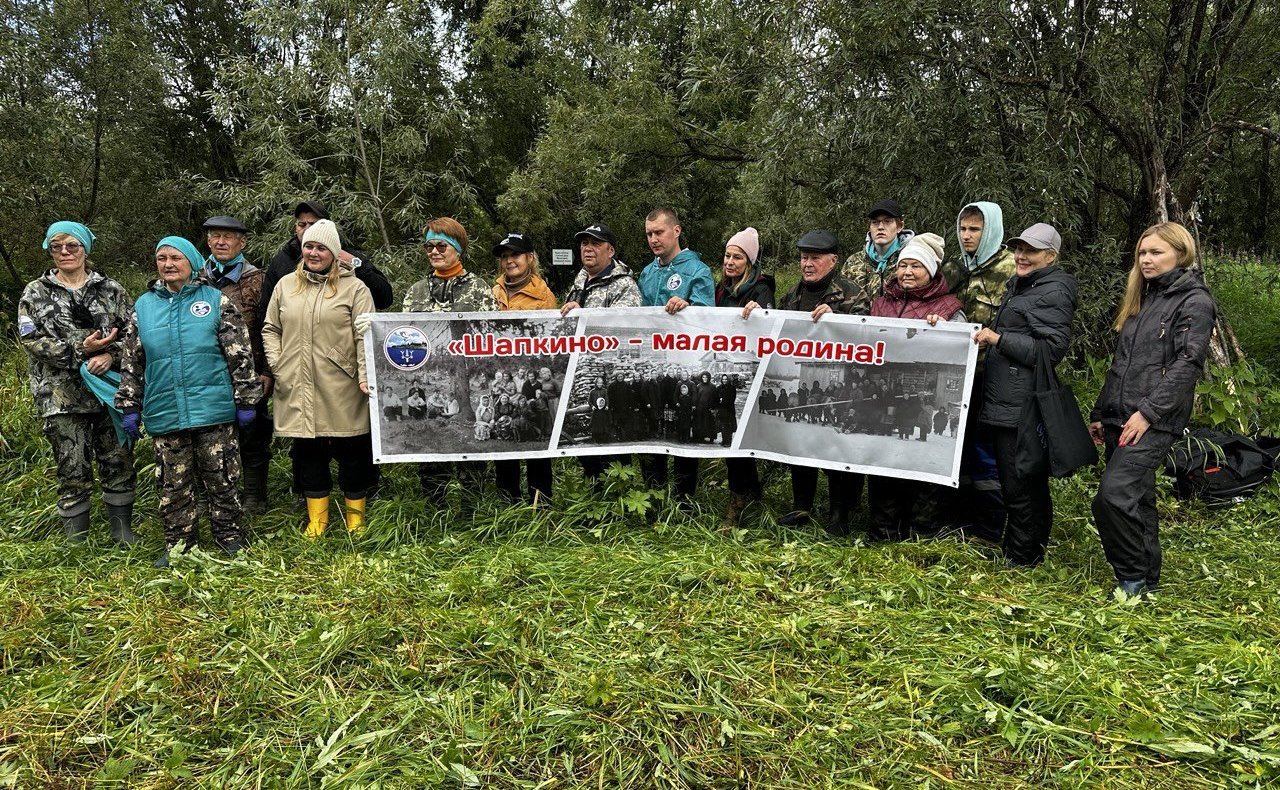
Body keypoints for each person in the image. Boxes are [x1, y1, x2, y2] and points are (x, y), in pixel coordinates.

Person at [116, 236, 262, 566]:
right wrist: (129, 404)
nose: (168, 264)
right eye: (161, 257)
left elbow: (240, 355)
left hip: (213, 410)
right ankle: (180, 544)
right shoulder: (144, 307)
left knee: (221, 477)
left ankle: (229, 536)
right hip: (165, 411)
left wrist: (246, 399)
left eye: (175, 258)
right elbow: (131, 361)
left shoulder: (215, 301)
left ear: (193, 262)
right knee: (173, 484)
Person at [1090, 222, 1216, 599]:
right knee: (1138, 499)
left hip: (1153, 419)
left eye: (1156, 252)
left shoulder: (1194, 301)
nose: (1146, 259)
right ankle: (1148, 579)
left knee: (1111, 496)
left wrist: (1148, 413)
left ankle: (1130, 580)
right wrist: (1101, 411)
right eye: (1142, 253)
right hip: (1120, 415)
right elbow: (1122, 363)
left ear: (1181, 253)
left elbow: (1188, 363)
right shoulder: (1142, 298)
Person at [19, 221, 137, 544]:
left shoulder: (110, 289)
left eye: (73, 245)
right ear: (50, 250)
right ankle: (76, 541)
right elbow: (31, 339)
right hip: (60, 397)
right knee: (71, 468)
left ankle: (122, 532)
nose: (65, 252)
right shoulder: (35, 292)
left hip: (108, 393)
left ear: (86, 249)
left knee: (118, 459)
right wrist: (79, 351)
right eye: (57, 246)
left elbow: (133, 334)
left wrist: (111, 356)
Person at [747, 230, 868, 536]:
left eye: (815, 258)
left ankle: (840, 512)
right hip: (805, 380)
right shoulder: (792, 296)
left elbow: (868, 338)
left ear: (833, 260)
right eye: (803, 258)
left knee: (837, 448)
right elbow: (779, 334)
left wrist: (838, 317)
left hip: (842, 387)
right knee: (801, 444)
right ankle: (802, 507)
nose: (807, 264)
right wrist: (761, 317)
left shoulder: (854, 295)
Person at [263, 219, 376, 539]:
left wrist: (366, 376)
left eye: (321, 247)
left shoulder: (356, 288)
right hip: (296, 383)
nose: (314, 252)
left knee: (353, 451)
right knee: (309, 453)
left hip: (343, 386)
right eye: (309, 246)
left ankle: (356, 521)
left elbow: (364, 336)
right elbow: (270, 329)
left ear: (335, 253)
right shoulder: (285, 285)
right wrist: (279, 365)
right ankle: (318, 521)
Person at [975, 223, 1077, 568]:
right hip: (1008, 398)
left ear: (1050, 256)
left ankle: (1023, 557)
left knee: (1020, 482)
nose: (1021, 256)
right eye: (1018, 249)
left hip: (1022, 404)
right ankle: (1019, 548)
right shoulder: (1022, 286)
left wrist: (998, 339)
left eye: (1030, 251)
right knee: (1017, 478)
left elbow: (1051, 349)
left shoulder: (1053, 290)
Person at [866, 233, 964, 541]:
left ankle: (921, 534)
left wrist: (947, 332)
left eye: (916, 266)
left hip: (915, 408)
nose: (907, 272)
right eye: (903, 265)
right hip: (887, 405)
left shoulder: (949, 307)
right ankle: (882, 531)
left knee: (921, 464)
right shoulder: (880, 304)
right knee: (883, 463)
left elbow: (963, 351)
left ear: (932, 271)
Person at [396, 217, 495, 502]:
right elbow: (406, 334)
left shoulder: (479, 289)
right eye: (429, 247)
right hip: (430, 376)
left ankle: (472, 509)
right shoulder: (415, 291)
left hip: (468, 375)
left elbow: (488, 336)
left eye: (441, 245)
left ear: (457, 248)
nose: (434, 252)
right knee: (430, 455)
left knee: (472, 463)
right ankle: (434, 510)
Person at [939, 201, 1018, 543]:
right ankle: (958, 519)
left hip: (992, 376)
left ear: (992, 231)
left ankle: (989, 528)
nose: (967, 236)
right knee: (955, 447)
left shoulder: (1012, 269)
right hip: (955, 374)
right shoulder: (953, 267)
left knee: (986, 452)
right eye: (963, 229)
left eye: (975, 229)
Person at [638, 208, 715, 507]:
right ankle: (653, 498)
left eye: (659, 232)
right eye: (649, 234)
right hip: (653, 367)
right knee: (652, 423)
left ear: (677, 231)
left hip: (684, 365)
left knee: (682, 427)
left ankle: (685, 501)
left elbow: (708, 318)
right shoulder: (647, 272)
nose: (654, 239)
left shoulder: (698, 270)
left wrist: (689, 305)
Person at [198, 215, 274, 514]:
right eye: (215, 236)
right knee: (204, 435)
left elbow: (271, 326)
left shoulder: (259, 279)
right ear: (207, 241)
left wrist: (268, 371)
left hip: (248, 372)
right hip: (205, 374)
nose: (221, 242)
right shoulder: (195, 276)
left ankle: (255, 495)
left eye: (228, 237)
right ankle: (207, 495)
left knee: (253, 436)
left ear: (241, 242)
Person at [561, 222, 643, 483]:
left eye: (595, 243)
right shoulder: (580, 280)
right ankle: (594, 493)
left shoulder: (624, 286)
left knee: (613, 448)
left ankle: (617, 497)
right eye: (584, 243)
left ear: (611, 251)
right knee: (588, 453)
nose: (588, 248)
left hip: (607, 380)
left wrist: (583, 315)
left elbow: (623, 333)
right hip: (581, 376)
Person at [490, 232, 557, 505]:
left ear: (530, 258)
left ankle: (541, 504)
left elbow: (550, 340)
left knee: (535, 443)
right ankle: (508, 503)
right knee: (506, 443)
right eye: (505, 256)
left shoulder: (543, 296)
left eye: (515, 255)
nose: (509, 261)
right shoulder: (492, 292)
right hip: (504, 370)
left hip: (530, 372)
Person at [839, 199, 915, 309]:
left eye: (887, 221)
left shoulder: (911, 260)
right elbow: (840, 298)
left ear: (899, 226)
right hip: (859, 325)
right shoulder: (853, 262)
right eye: (875, 222)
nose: (880, 227)